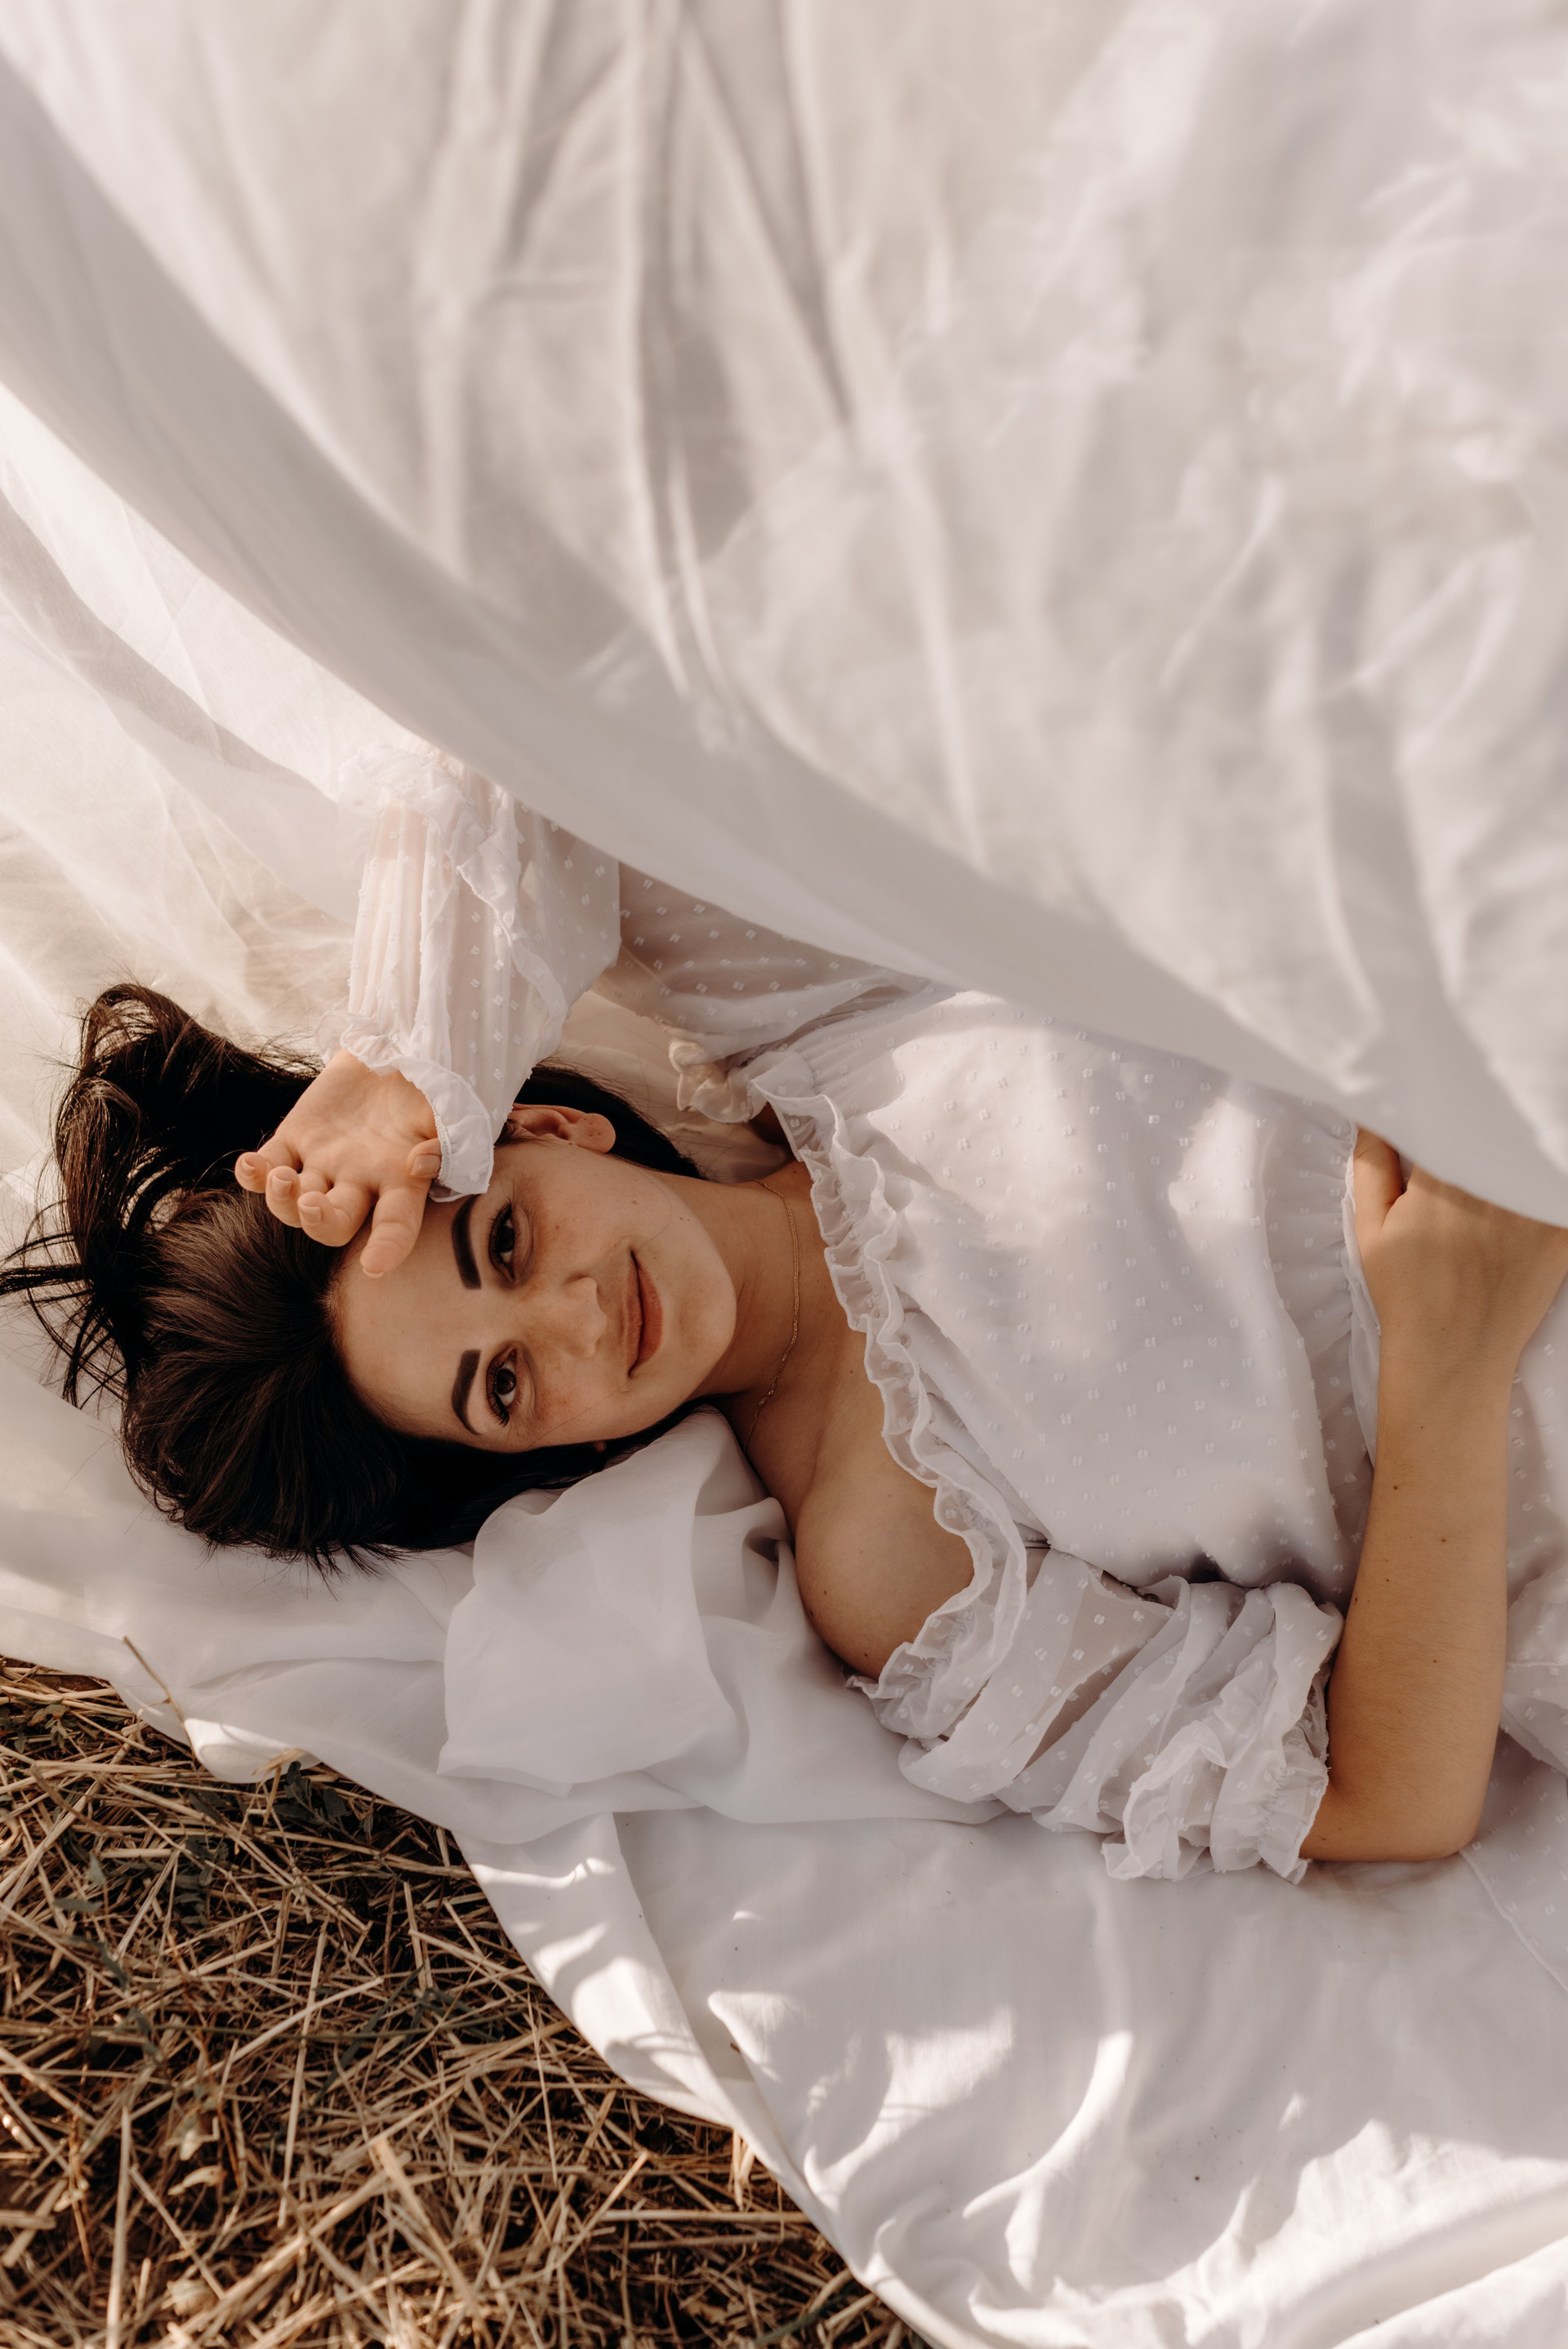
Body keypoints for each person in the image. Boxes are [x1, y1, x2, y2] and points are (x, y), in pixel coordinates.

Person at [9, 747, 1568, 1883]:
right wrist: (1448, 1361)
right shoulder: (899, 1566)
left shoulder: (808, 1011)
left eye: (504, 1240)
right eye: (504, 1386)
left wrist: (407, 1066)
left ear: (544, 1129)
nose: (573, 1318)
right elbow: (1379, 1798)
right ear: (530, 1455)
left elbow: (521, 718)